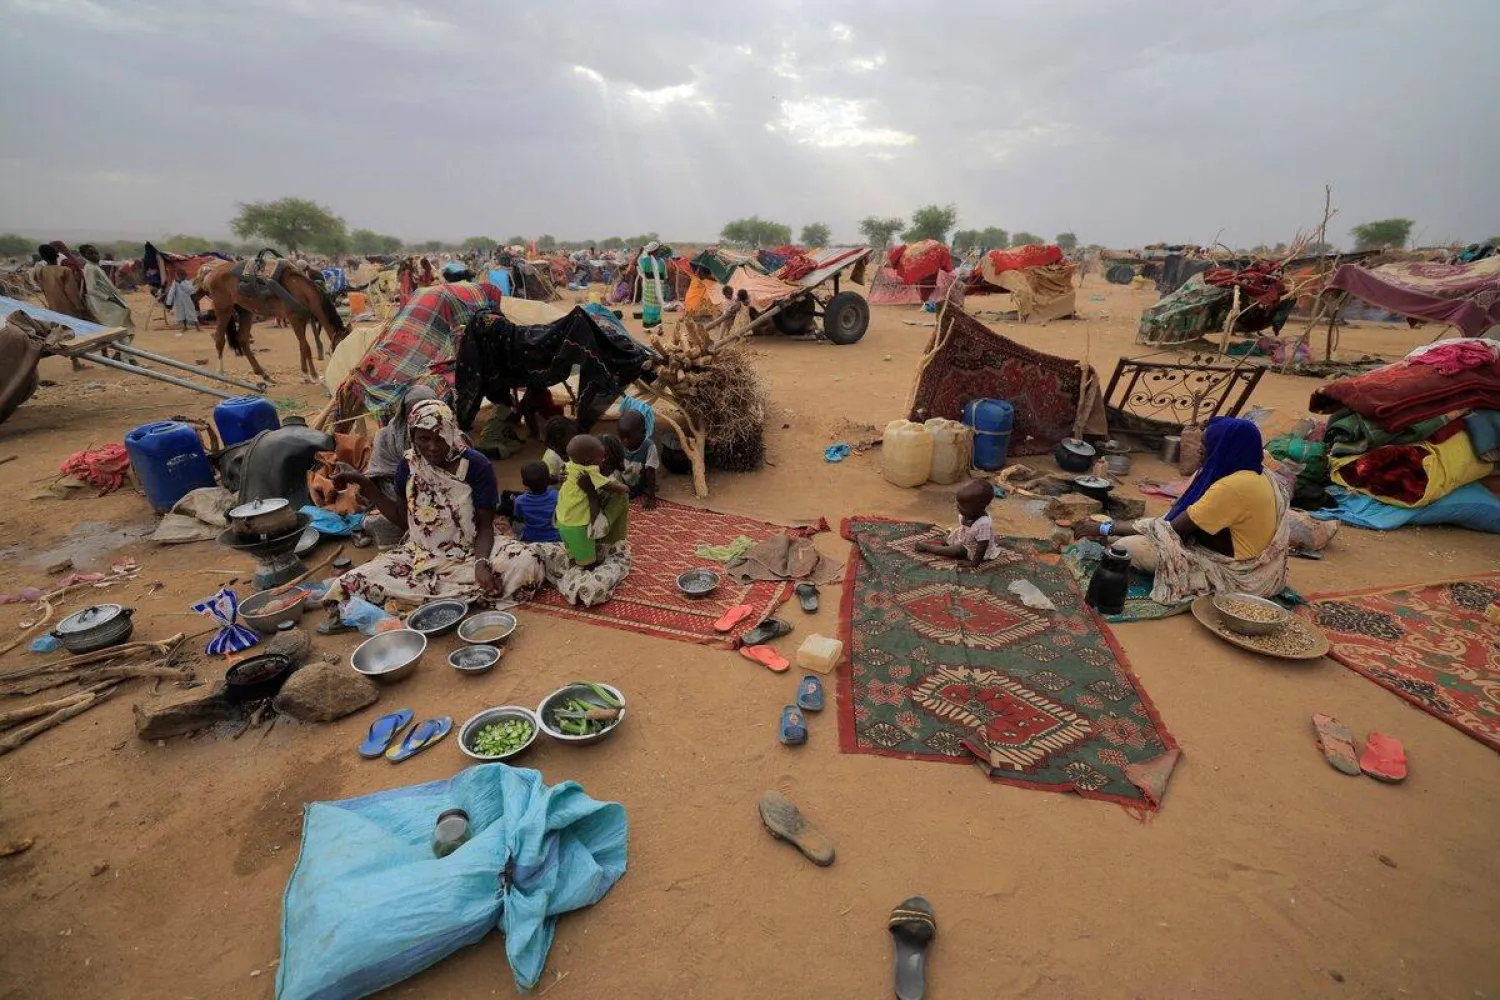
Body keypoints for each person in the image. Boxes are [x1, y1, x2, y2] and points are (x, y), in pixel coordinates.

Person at [322, 398, 542, 618]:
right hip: (420, 557)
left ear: (451, 432)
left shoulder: (475, 465)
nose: (433, 447)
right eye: (424, 439)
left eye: (440, 438)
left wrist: (481, 563)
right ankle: (458, 595)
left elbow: (485, 526)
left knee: (525, 562)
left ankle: (434, 596)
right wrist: (364, 483)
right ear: (412, 436)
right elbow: (402, 519)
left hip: (473, 551)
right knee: (350, 582)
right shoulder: (408, 466)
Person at [1072, 416, 1291, 603]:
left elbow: (1171, 529)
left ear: (1222, 449)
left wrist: (1105, 528)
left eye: (1205, 447)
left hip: (1237, 574)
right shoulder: (1256, 472)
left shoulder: (1233, 487)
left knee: (1126, 547)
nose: (1198, 450)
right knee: (1133, 534)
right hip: (1237, 553)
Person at [554, 434, 628, 568]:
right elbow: (568, 501)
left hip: (608, 546)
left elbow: (600, 528)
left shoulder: (617, 494)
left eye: (602, 457)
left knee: (591, 583)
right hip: (586, 541)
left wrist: (590, 491)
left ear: (608, 461)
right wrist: (565, 482)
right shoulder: (583, 475)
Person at [365, 385, 439, 497]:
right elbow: (377, 473)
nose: (417, 417)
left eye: (424, 411)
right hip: (392, 493)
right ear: (404, 411)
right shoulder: (385, 436)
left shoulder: (445, 435)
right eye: (412, 412)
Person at [918, 480, 1001, 566]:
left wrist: (973, 563)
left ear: (980, 507)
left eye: (963, 506)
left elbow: (982, 546)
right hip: (963, 537)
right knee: (945, 540)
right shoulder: (970, 513)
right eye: (958, 502)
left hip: (972, 548)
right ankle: (940, 546)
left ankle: (927, 548)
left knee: (956, 551)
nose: (957, 506)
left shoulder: (983, 524)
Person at [78, 245, 135, 335]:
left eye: (96, 253)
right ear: (84, 255)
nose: (95, 255)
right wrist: (109, 298)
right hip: (103, 302)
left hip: (109, 299)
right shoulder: (90, 268)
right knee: (114, 324)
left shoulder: (95, 266)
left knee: (121, 320)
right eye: (90, 253)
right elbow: (91, 289)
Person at [34, 244, 91, 321]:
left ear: (43, 258)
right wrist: (79, 307)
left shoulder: (40, 271)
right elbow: (72, 292)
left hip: (54, 308)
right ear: (57, 255)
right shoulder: (65, 270)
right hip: (69, 309)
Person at [616, 408, 659, 508]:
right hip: (623, 480)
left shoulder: (649, 447)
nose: (624, 441)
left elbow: (651, 473)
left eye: (629, 437)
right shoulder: (620, 444)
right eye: (622, 437)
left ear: (643, 433)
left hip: (638, 482)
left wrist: (651, 498)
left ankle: (634, 490)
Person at [511, 461, 561, 543]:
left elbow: (518, 520)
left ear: (524, 483)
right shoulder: (556, 495)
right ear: (549, 479)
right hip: (555, 537)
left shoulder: (519, 501)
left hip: (531, 538)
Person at [637, 242, 667, 329]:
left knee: (649, 305)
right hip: (659, 286)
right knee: (656, 305)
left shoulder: (644, 260)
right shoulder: (661, 262)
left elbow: (641, 271)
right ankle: (655, 324)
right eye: (658, 249)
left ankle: (650, 325)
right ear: (655, 250)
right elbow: (665, 276)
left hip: (649, 286)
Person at [541, 415, 577, 484]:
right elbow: (547, 481)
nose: (575, 439)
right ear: (559, 437)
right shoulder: (551, 458)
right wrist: (558, 479)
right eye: (571, 436)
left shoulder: (565, 450)